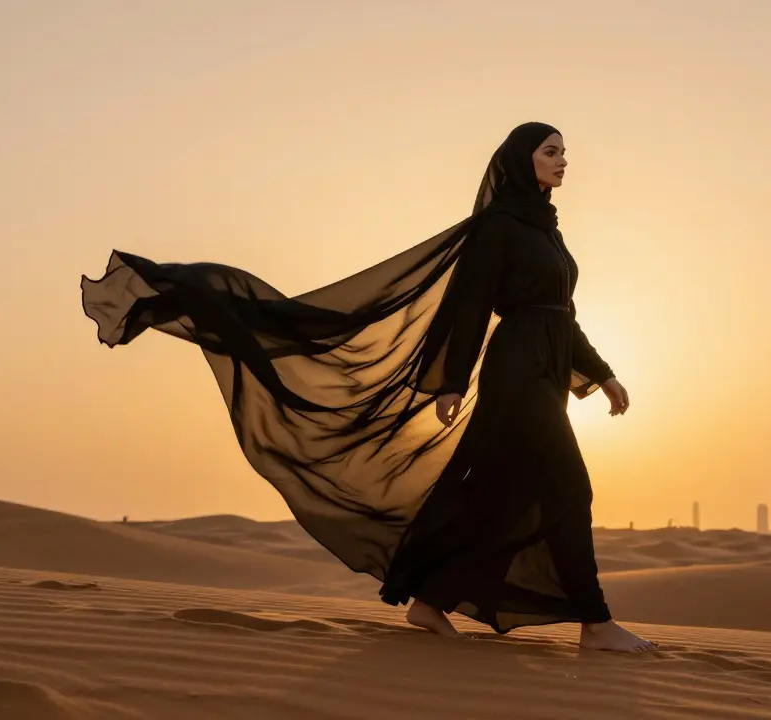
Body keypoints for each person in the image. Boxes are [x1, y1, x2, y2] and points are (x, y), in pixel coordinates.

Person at [80, 122, 655, 652]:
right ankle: (596, 622)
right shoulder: (499, 226)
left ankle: (429, 601)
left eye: (563, 152)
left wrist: (602, 373)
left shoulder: (548, 231)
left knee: (496, 495)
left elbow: (562, 314)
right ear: (521, 160)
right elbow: (471, 306)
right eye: (551, 151)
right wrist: (452, 382)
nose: (562, 161)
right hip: (518, 373)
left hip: (549, 371)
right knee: (569, 487)